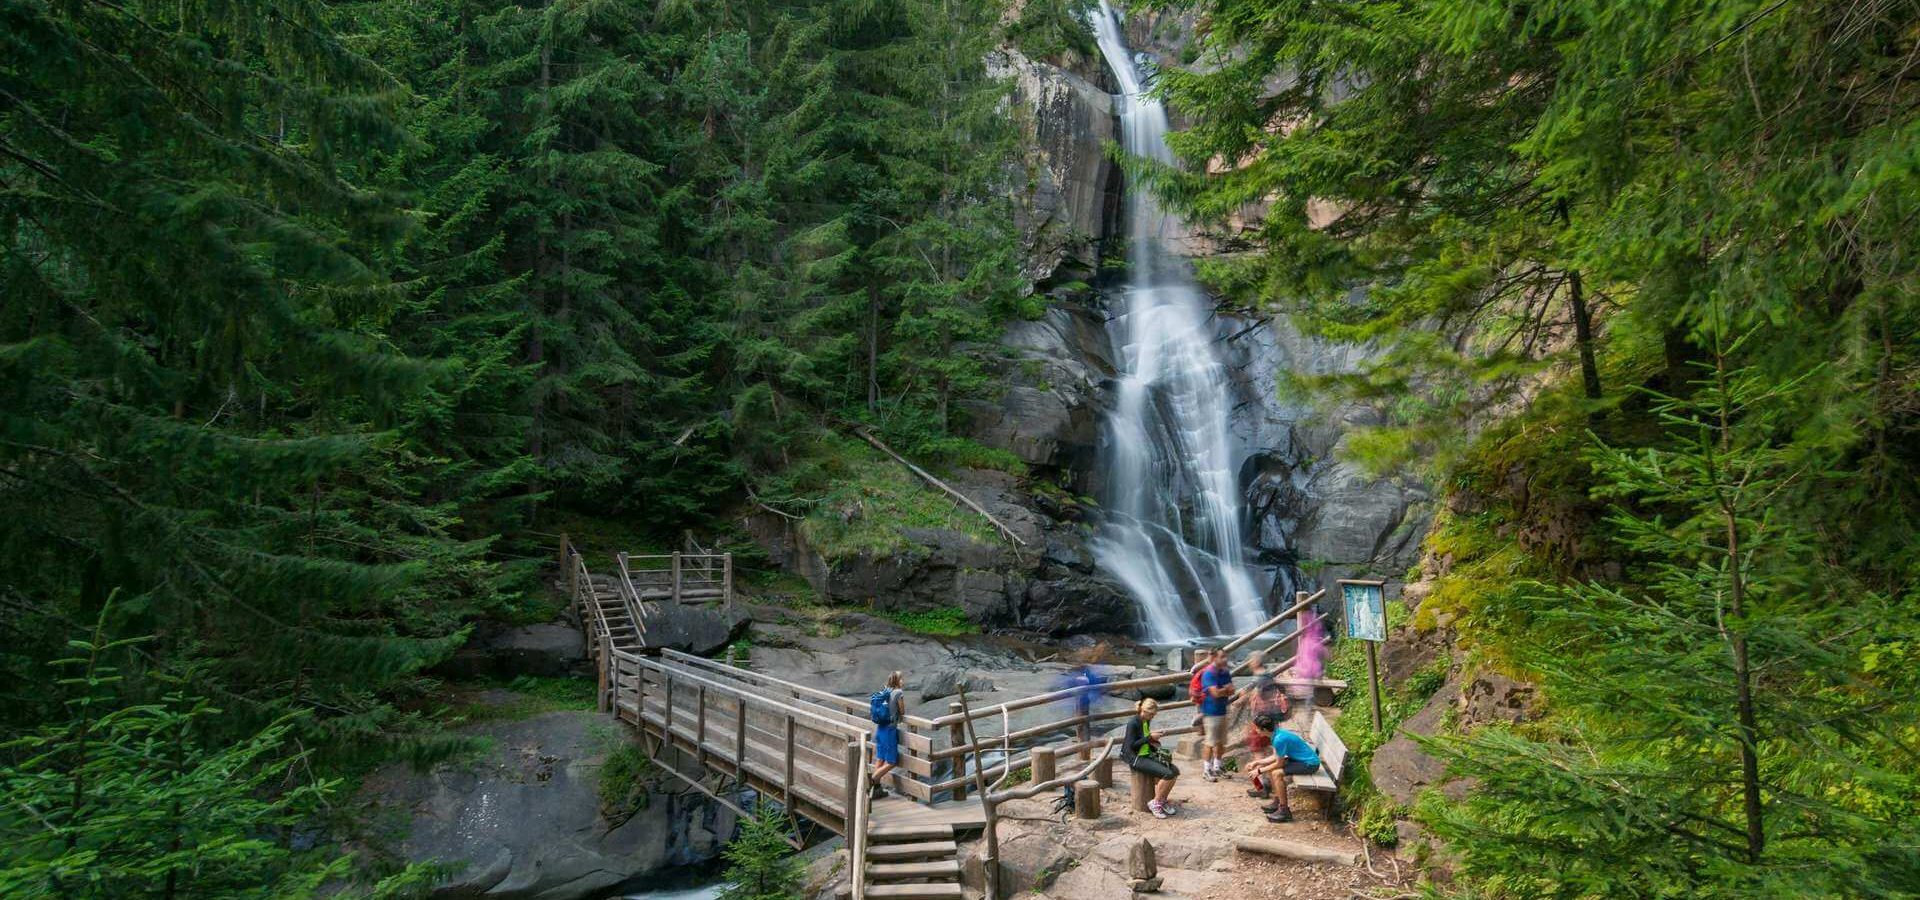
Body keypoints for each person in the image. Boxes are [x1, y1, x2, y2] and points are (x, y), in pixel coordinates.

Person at [1231, 651, 1288, 799]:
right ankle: (1268, 785)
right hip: (1270, 719)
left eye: (1250, 660)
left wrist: (1239, 701)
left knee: (1258, 752)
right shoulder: (1268, 676)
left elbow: (1256, 696)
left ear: (1256, 661)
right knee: (1265, 751)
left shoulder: (1261, 679)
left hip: (1261, 721)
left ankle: (1264, 786)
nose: (1249, 663)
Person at [1246, 713, 1321, 823]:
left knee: (1277, 773)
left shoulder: (1279, 739)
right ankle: (1278, 801)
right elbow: (1276, 757)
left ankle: (1284, 811)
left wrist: (1259, 771)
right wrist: (1257, 762)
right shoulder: (1276, 734)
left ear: (1264, 729)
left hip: (1310, 764)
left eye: (1257, 728)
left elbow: (1279, 764)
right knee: (1272, 770)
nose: (1255, 730)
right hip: (1300, 760)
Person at [1123, 698, 1181, 818]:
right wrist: (1150, 737)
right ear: (1144, 711)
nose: (1153, 717)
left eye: (1154, 715)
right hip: (1135, 758)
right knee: (1168, 774)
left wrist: (1154, 743)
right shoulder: (1133, 723)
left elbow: (1144, 740)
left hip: (1146, 754)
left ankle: (1162, 800)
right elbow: (1131, 746)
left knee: (1175, 771)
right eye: (1151, 714)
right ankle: (1155, 803)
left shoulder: (1146, 721)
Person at [1198, 648, 1236, 781]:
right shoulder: (1208, 673)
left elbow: (1232, 690)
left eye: (1225, 656)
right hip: (1210, 712)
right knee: (1210, 741)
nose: (1225, 659)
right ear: (1214, 658)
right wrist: (1225, 690)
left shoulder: (1225, 672)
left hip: (1222, 710)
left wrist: (1222, 691)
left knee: (1221, 742)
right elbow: (1215, 693)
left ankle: (1217, 767)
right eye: (1222, 657)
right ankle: (1206, 770)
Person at [868, 671, 906, 798]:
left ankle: (877, 789)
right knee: (892, 761)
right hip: (890, 730)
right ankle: (871, 781)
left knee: (881, 759)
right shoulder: (898, 693)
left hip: (880, 729)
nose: (903, 681)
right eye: (901, 679)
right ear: (896, 681)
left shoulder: (885, 692)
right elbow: (902, 711)